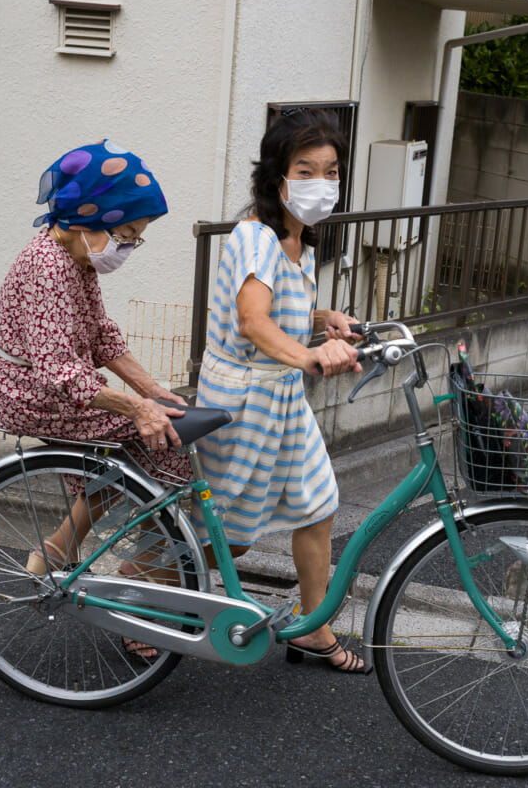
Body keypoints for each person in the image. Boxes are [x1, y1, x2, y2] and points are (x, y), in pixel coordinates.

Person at [0, 140, 187, 659]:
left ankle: (58, 548)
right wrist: (140, 408)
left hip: (52, 384)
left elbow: (100, 336)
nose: (127, 247)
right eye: (127, 235)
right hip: (29, 392)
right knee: (164, 447)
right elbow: (58, 371)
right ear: (87, 220)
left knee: (148, 438)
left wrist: (151, 389)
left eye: (134, 240)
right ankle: (141, 601)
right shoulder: (48, 267)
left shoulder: (76, 260)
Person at [196, 110, 368, 673]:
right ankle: (139, 585)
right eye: (306, 169)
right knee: (231, 534)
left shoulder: (299, 239)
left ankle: (312, 629)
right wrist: (313, 356)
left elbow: (280, 310)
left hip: (283, 398)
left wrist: (324, 320)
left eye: (331, 171)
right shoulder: (255, 237)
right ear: (278, 176)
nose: (322, 183)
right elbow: (253, 320)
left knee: (318, 506)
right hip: (241, 402)